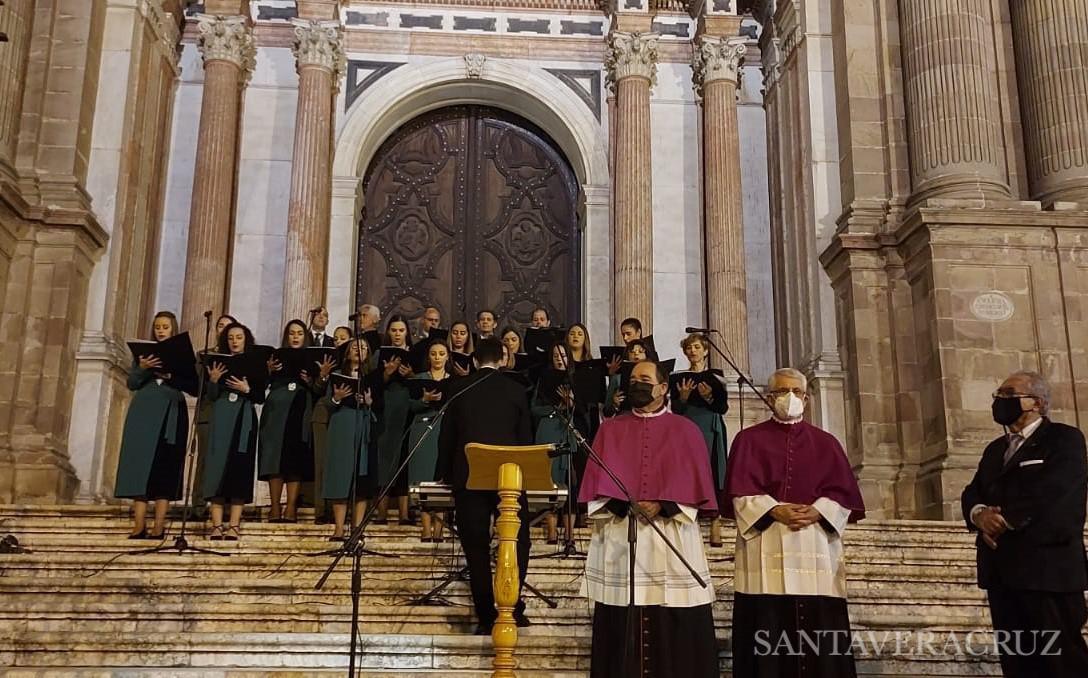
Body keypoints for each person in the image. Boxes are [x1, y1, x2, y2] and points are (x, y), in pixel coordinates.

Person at [579, 360, 719, 678]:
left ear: (662, 388)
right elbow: (597, 490)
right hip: (621, 535)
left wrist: (664, 503)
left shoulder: (687, 431)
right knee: (620, 618)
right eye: (631, 379)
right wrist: (625, 505)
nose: (636, 384)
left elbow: (697, 489)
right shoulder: (609, 429)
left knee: (676, 618)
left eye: (644, 378)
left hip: (672, 538)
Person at [724, 367, 865, 678]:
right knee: (767, 623)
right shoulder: (748, 440)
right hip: (766, 542)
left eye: (796, 392)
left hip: (814, 543)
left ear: (807, 399)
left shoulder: (826, 443)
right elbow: (738, 492)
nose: (790, 398)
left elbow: (844, 495)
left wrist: (819, 511)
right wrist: (773, 510)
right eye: (781, 392)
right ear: (769, 398)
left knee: (819, 628)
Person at [961, 371, 1088, 678]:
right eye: (998, 395)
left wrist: (1002, 522)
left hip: (1047, 570)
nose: (999, 400)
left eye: (1008, 394)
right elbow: (973, 492)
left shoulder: (1065, 439)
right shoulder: (995, 449)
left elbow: (1056, 492)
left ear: (1037, 403)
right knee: (1017, 664)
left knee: (1061, 662)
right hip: (1002, 573)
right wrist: (979, 515)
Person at [436, 337, 533, 634]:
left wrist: (444, 474)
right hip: (510, 477)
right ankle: (513, 607)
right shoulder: (516, 390)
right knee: (518, 541)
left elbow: (447, 436)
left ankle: (485, 614)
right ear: (502, 360)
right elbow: (526, 438)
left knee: (476, 546)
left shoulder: (457, 388)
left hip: (470, 476)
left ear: (475, 361)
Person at [115, 311, 197, 539]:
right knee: (139, 468)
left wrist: (170, 375)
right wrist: (142, 367)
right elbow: (132, 383)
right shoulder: (143, 355)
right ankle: (139, 524)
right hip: (144, 415)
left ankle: (159, 525)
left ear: (173, 329)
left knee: (165, 468)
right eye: (158, 326)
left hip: (172, 415)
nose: (161, 330)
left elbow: (194, 387)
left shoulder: (182, 355)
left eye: (165, 327)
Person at [259, 319, 333, 523]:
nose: (295, 337)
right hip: (276, 410)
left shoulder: (312, 357)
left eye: (299, 333)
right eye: (291, 333)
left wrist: (319, 378)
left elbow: (318, 390)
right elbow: (260, 386)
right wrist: (268, 371)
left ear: (305, 336)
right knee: (275, 457)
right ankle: (275, 506)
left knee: (295, 457)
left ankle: (291, 507)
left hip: (301, 408)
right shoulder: (276, 356)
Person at [201, 322, 264, 541]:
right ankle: (217, 525)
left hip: (243, 416)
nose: (234, 341)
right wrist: (214, 380)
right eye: (230, 338)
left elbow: (260, 395)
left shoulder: (255, 362)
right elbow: (210, 395)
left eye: (238, 337)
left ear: (246, 339)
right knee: (216, 469)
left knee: (240, 468)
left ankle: (234, 525)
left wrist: (246, 389)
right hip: (221, 416)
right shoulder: (217, 361)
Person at [673, 333, 729, 546]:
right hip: (688, 425)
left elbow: (722, 408)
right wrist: (684, 397)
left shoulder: (716, 376)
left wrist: (708, 397)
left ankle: (715, 521)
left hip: (709, 425)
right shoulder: (680, 377)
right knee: (689, 471)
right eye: (689, 348)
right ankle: (689, 516)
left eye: (696, 347)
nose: (692, 351)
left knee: (712, 469)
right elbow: (676, 410)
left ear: (705, 350)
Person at [322, 339, 377, 541]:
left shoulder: (372, 377)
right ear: (347, 353)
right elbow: (327, 403)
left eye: (363, 347)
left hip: (363, 423)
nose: (358, 350)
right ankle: (338, 527)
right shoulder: (337, 375)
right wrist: (337, 397)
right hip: (341, 424)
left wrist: (369, 403)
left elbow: (381, 406)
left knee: (360, 477)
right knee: (340, 475)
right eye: (354, 347)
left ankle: (357, 527)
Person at [531, 343, 581, 544]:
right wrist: (554, 409)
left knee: (570, 484)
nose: (559, 358)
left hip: (567, 433)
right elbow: (533, 408)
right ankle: (551, 531)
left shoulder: (576, 379)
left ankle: (569, 534)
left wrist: (571, 404)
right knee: (549, 483)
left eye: (563, 355)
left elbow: (586, 408)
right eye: (555, 355)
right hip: (547, 432)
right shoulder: (544, 380)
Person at [191, 312, 239, 515]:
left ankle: (226, 505)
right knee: (204, 459)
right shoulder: (205, 356)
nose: (225, 330)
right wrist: (212, 379)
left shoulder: (241, 357)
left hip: (231, 414)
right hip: (209, 412)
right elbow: (196, 386)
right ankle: (199, 506)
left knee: (229, 460)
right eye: (221, 326)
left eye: (230, 327)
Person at [407, 340, 451, 542]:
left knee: (440, 479)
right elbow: (411, 406)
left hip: (444, 429)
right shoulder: (419, 378)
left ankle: (440, 530)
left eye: (441, 354)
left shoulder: (453, 380)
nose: (437, 357)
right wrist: (425, 400)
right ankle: (425, 529)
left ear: (447, 356)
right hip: (422, 429)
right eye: (434, 354)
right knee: (423, 477)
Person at [374, 315, 415, 524]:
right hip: (387, 410)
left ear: (407, 332)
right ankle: (381, 512)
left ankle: (404, 513)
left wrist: (410, 376)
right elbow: (373, 385)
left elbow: (422, 383)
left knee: (404, 458)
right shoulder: (379, 354)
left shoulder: (416, 353)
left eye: (401, 330)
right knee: (384, 458)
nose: (397, 334)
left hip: (407, 409)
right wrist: (387, 375)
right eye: (393, 330)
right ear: (388, 332)